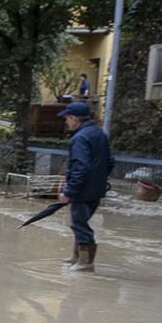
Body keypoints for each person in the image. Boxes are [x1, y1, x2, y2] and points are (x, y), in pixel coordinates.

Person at [57, 101, 114, 272]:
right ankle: (76, 257)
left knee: (79, 223)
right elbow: (110, 161)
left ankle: (85, 262)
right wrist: (99, 179)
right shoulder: (99, 134)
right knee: (79, 222)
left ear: (74, 119)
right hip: (96, 189)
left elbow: (80, 167)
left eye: (67, 118)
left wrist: (69, 191)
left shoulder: (80, 138)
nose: (66, 122)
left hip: (83, 190)